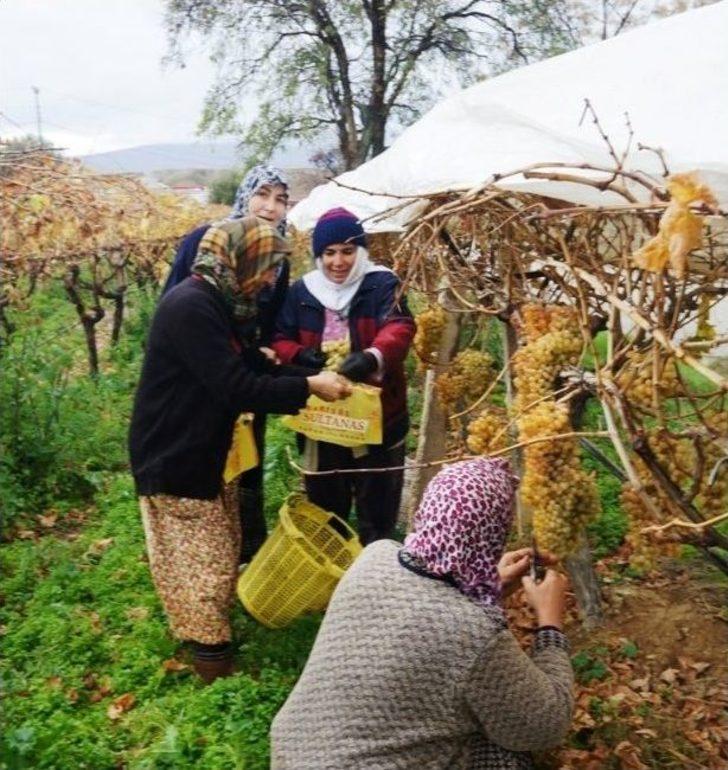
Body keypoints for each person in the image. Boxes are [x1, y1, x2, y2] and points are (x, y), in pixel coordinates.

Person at [129, 216, 351, 683]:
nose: (272, 278)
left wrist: (301, 379)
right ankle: (212, 658)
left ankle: (208, 628)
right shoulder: (191, 306)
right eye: (268, 266)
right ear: (241, 258)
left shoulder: (222, 300)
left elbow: (248, 364)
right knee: (201, 558)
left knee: (220, 545)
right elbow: (236, 385)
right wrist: (309, 384)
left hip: (204, 446)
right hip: (175, 450)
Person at [270, 457, 574, 769]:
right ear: (494, 535)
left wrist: (490, 584)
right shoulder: (473, 633)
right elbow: (545, 724)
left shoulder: (375, 557)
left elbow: (423, 607)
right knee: (505, 747)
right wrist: (550, 622)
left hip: (293, 754)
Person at [162, 165, 291, 563]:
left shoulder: (279, 253)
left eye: (281, 199)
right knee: (207, 456)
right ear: (245, 195)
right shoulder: (205, 241)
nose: (270, 207)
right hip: (204, 372)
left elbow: (271, 318)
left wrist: (266, 353)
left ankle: (247, 550)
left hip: (248, 373)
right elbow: (176, 307)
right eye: (263, 194)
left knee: (247, 459)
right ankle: (202, 553)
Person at [272, 207, 415, 545]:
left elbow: (400, 325)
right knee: (326, 499)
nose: (338, 262)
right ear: (319, 255)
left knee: (377, 498)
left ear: (361, 251)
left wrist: (371, 357)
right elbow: (279, 336)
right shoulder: (302, 292)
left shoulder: (381, 283)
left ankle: (376, 564)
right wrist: (299, 354)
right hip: (322, 417)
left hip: (378, 416)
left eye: (348, 251)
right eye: (329, 253)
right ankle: (333, 568)